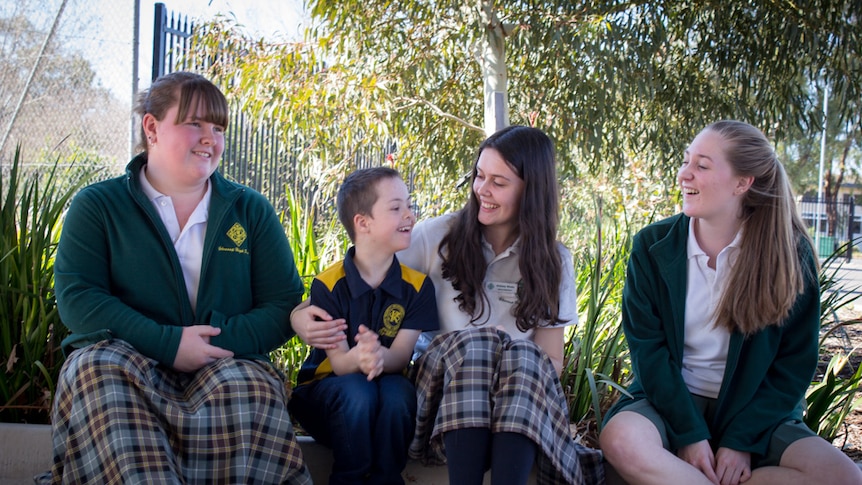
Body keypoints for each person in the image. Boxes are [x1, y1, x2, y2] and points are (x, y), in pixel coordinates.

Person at [37, 71, 311, 484]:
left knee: (248, 384)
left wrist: (210, 342)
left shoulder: (250, 210)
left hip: (223, 360)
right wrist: (168, 343)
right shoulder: (98, 205)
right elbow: (79, 299)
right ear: (152, 127)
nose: (210, 138)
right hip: (127, 359)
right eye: (194, 123)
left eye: (218, 128)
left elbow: (282, 304)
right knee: (95, 368)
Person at [292, 125, 605, 485]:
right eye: (479, 176)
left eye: (498, 183)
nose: (482, 190)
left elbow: (551, 360)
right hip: (440, 401)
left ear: (531, 190)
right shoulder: (437, 237)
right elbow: (359, 275)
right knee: (475, 345)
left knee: (517, 353)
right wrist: (299, 315)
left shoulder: (555, 261)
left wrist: (503, 357)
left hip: (516, 405)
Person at [599, 120, 862, 485]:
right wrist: (689, 433)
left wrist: (740, 441)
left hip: (754, 413)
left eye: (702, 166)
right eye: (687, 160)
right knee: (622, 439)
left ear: (742, 183)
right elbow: (649, 353)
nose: (684, 174)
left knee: (844, 477)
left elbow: (793, 366)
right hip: (670, 403)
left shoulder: (789, 254)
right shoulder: (652, 246)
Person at [288, 167, 439, 484]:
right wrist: (360, 357)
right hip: (326, 398)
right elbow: (341, 364)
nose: (410, 215)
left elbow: (400, 356)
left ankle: (387, 478)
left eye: (409, 205)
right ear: (363, 223)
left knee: (399, 393)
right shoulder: (328, 285)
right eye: (396, 208)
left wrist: (380, 357)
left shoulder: (417, 287)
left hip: (384, 393)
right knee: (359, 390)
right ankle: (349, 478)